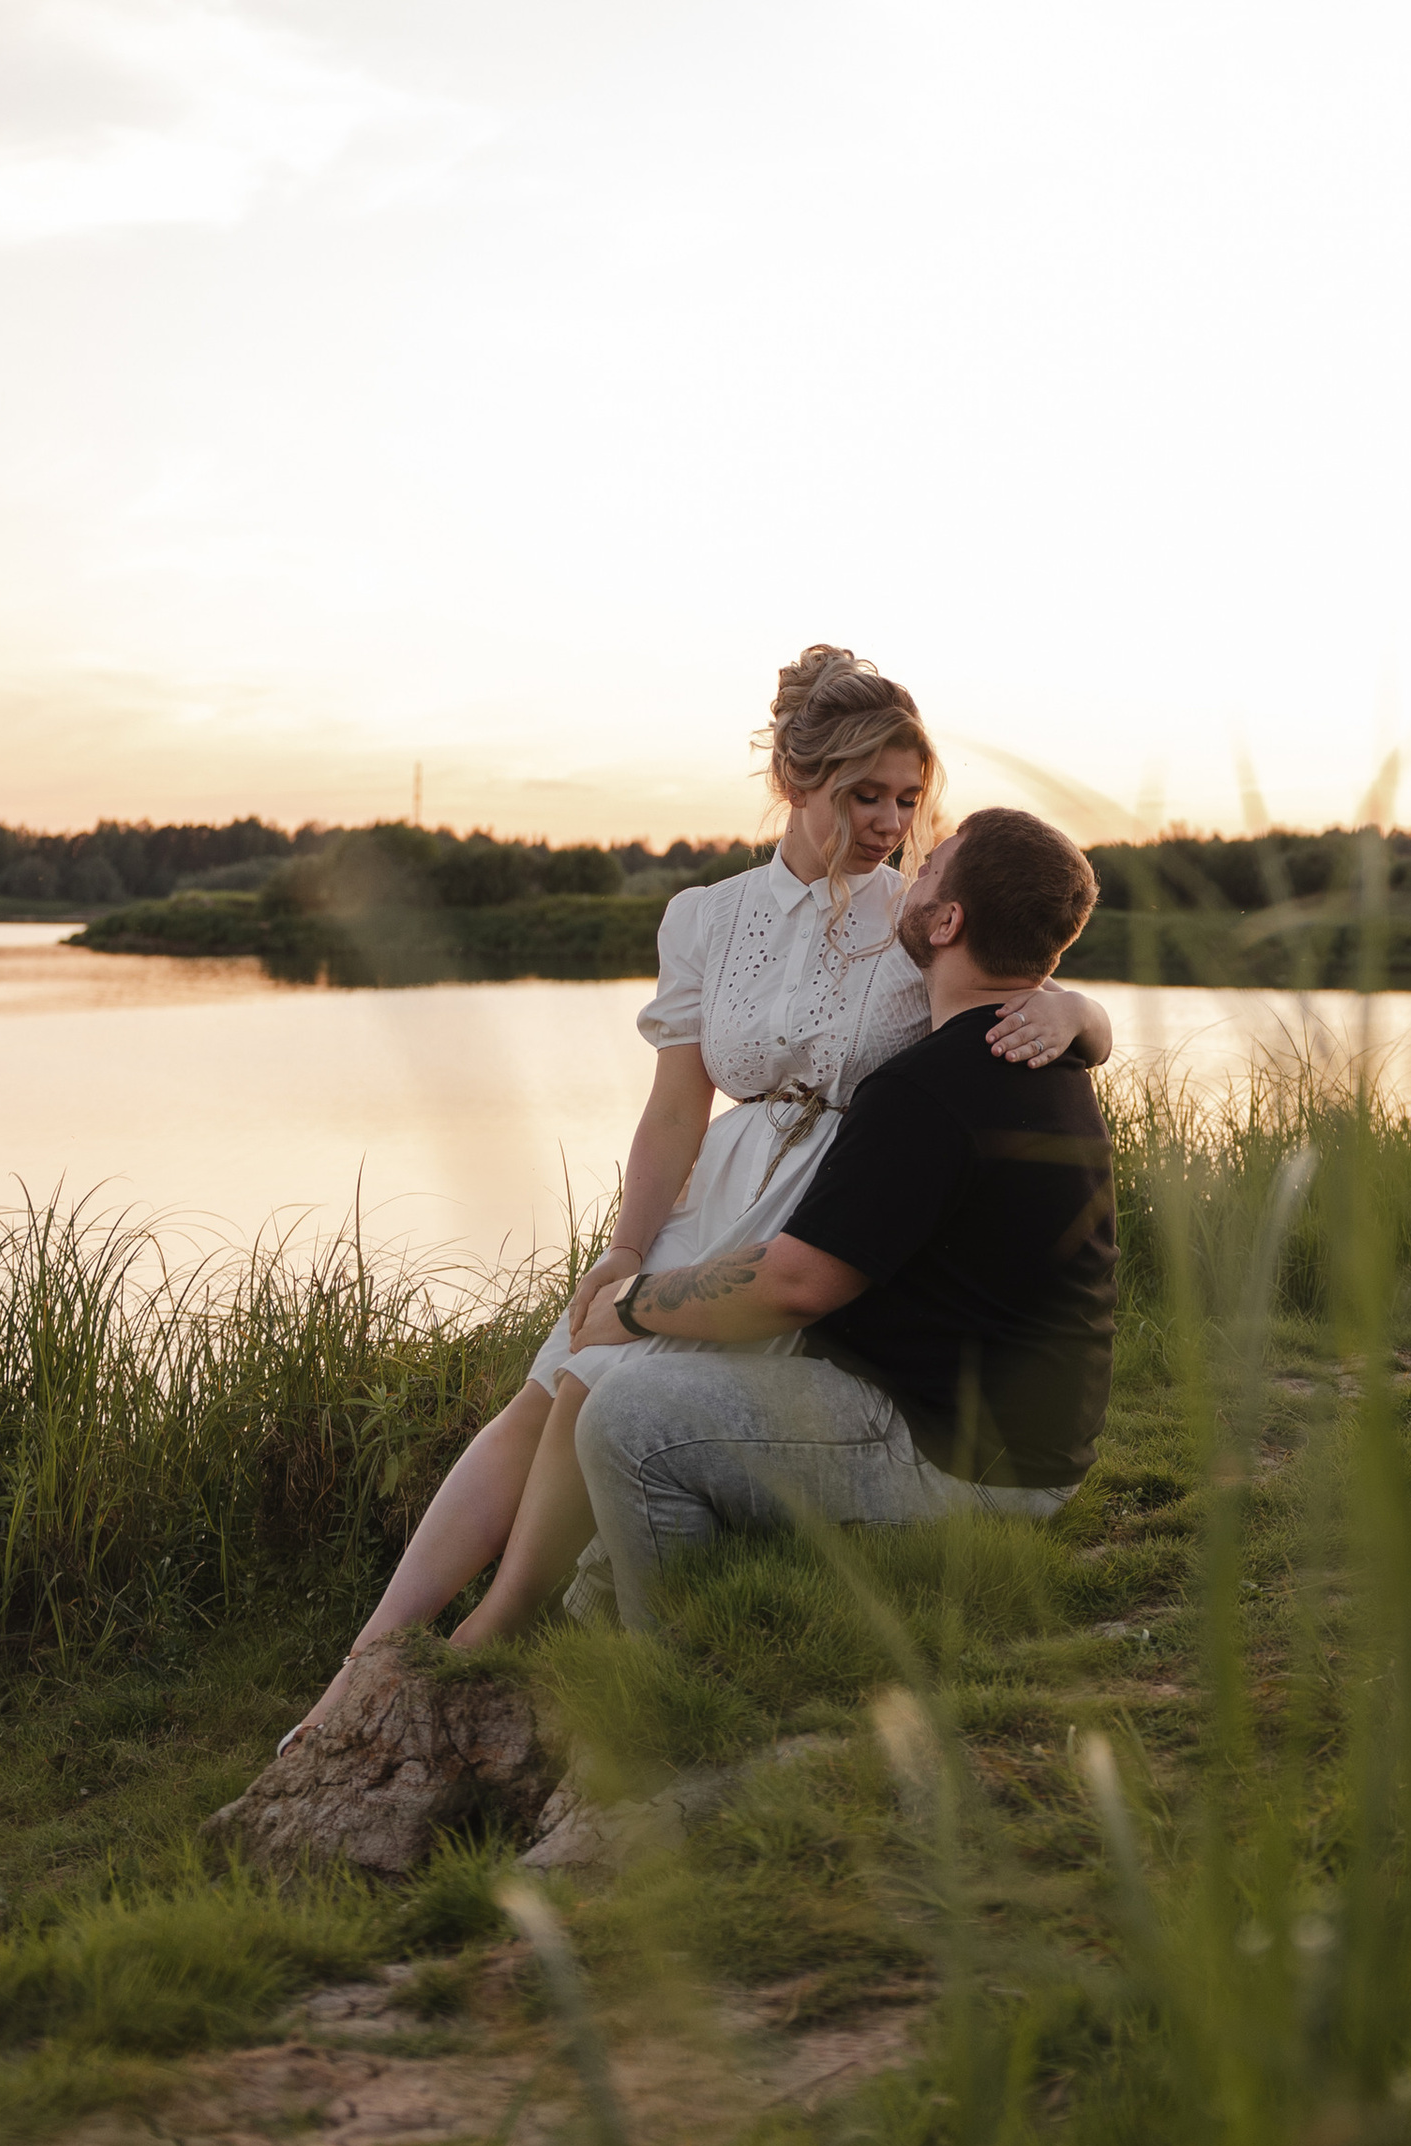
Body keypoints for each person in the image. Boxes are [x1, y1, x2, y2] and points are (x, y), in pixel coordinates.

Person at [288, 655, 1109, 1734]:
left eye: (909, 800)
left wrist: (1088, 1019)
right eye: (864, 795)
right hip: (720, 1185)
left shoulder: (922, 915)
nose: (889, 822)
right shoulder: (707, 919)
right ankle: (370, 1660)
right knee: (551, 1387)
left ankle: (507, 1633)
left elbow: (1025, 980)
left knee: (620, 1402)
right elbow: (675, 1109)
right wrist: (628, 1251)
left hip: (834, 1204)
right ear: (795, 780)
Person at [564, 802, 1116, 1612]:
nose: (909, 878)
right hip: (1020, 1449)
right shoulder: (1045, 1057)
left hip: (961, 1465)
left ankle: (677, 1669)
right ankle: (588, 1622)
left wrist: (634, 1305)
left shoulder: (926, 1089)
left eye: (929, 872)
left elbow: (793, 1286)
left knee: (628, 1417)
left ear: (949, 920)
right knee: (694, 1399)